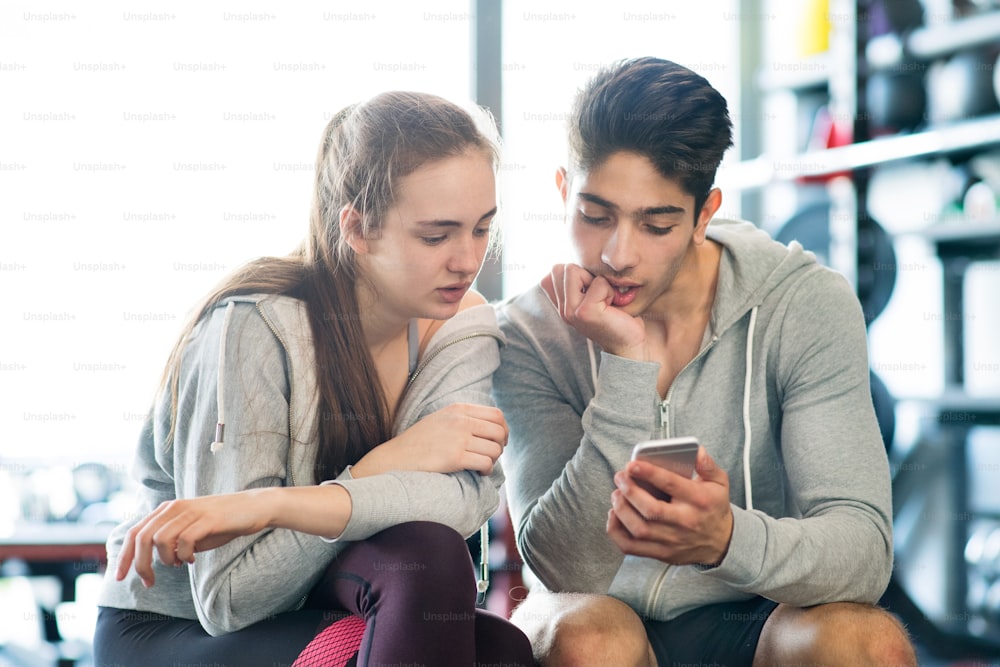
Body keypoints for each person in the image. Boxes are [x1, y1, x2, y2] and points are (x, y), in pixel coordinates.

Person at [492, 57, 918, 666]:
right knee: (588, 639)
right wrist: (626, 369)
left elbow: (863, 552)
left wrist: (726, 539)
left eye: (656, 223)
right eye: (594, 215)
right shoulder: (529, 334)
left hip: (762, 612)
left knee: (867, 645)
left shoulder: (803, 303)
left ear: (704, 214)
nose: (617, 255)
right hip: (602, 612)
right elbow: (563, 566)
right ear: (564, 191)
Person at [94, 91, 534, 667]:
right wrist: (391, 460)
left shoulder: (457, 321)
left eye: (482, 229)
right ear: (356, 227)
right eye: (436, 235)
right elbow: (231, 596)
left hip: (319, 601)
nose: (468, 259)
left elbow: (461, 502)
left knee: (494, 637)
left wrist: (272, 507)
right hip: (174, 631)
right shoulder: (255, 330)